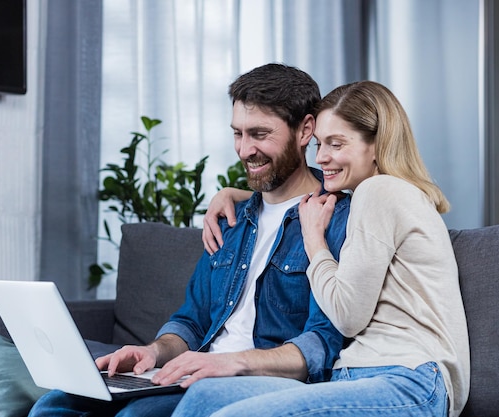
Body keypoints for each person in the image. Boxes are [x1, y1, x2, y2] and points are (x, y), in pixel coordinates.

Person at [28, 63, 352, 417]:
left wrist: (234, 363)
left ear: (305, 130)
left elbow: (324, 341)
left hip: (262, 383)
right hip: (197, 374)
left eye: (259, 134)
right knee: (57, 402)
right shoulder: (231, 220)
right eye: (237, 134)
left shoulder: (336, 219)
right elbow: (192, 321)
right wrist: (153, 352)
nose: (244, 150)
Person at [172, 80, 470, 417]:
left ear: (376, 145)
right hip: (352, 378)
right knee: (204, 399)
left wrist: (313, 238)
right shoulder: (370, 199)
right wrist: (237, 194)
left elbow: (346, 317)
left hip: (408, 378)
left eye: (337, 144)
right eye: (319, 144)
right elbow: (294, 191)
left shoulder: (381, 192)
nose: (323, 156)